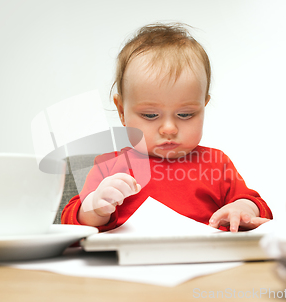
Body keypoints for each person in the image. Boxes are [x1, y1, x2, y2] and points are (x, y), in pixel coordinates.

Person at [61, 23, 272, 232]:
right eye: (151, 115)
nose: (169, 128)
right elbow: (70, 221)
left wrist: (242, 208)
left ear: (203, 106)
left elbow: (258, 207)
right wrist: (95, 208)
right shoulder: (109, 167)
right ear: (122, 111)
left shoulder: (217, 164)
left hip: (205, 260)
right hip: (131, 262)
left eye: (185, 114)